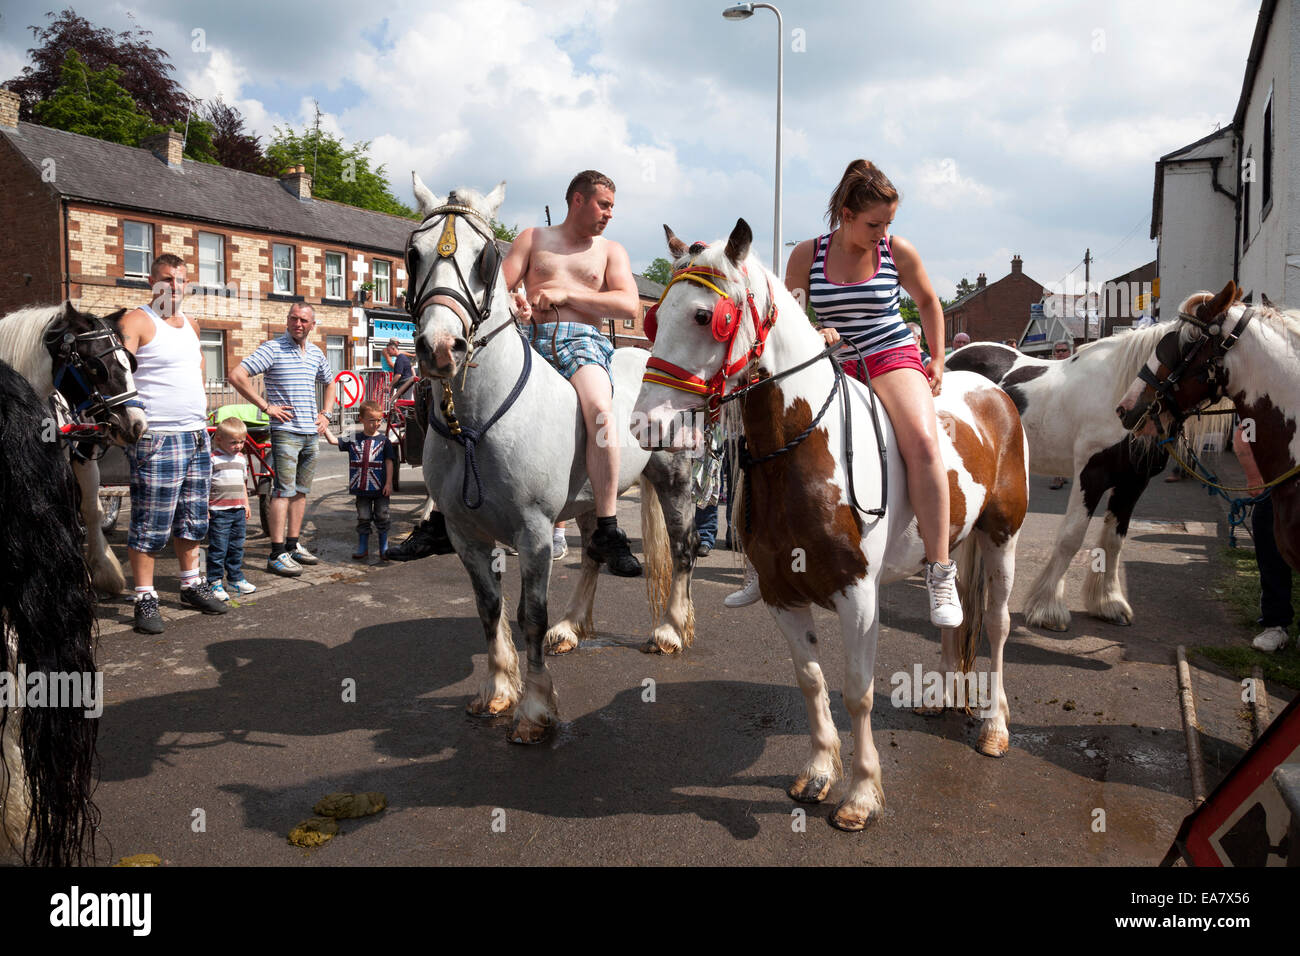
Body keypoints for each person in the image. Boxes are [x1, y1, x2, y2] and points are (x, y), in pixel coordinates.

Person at [780, 158, 962, 627]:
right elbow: (792, 319)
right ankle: (766, 563)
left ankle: (940, 571)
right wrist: (817, 330)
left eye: (889, 223)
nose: (883, 233)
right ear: (844, 215)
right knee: (776, 444)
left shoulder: (897, 252)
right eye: (873, 224)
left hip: (890, 353)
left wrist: (937, 358)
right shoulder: (805, 256)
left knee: (923, 443)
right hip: (833, 364)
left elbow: (927, 303)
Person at [500, 169, 643, 576]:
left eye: (613, 207)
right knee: (469, 393)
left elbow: (629, 304)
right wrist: (517, 304)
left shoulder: (610, 250)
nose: (609, 214)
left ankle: (608, 527)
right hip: (527, 338)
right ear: (578, 200)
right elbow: (500, 289)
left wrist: (569, 294)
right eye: (604, 204)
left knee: (600, 409)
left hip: (582, 341)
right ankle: (442, 516)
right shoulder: (532, 238)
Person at [116, 253, 228, 633]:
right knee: (150, 522)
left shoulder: (192, 325)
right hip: (157, 437)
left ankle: (190, 584)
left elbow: (196, 373)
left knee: (192, 518)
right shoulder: (136, 320)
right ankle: (145, 596)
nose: (174, 287)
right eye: (167, 279)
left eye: (181, 281)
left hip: (196, 434)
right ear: (152, 281)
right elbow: (118, 370)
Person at [228, 304, 336, 576]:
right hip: (286, 431)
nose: (297, 323)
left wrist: (326, 414)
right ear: (287, 321)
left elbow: (330, 382)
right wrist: (266, 407)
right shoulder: (273, 348)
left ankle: (292, 545)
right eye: (293, 318)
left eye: (303, 320)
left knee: (300, 491)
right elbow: (236, 375)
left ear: (313, 325)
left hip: (311, 432)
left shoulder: (315, 353)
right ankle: (276, 554)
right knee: (283, 491)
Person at [1233, 423, 1293, 651]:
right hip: (1276, 486)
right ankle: (1275, 624)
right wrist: (1254, 476)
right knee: (1271, 553)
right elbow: (1245, 430)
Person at [324, 400, 397, 560]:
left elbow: (389, 462)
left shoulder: (385, 441)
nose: (376, 424)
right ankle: (362, 547)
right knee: (363, 518)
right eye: (372, 420)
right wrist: (324, 428)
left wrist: (388, 483)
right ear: (361, 419)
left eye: (379, 420)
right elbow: (334, 441)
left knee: (383, 517)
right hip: (361, 489)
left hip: (380, 490)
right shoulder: (353, 438)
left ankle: (384, 548)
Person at [207, 416, 256, 602]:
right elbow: (205, 485)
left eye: (242, 441)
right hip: (219, 511)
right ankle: (214, 581)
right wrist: (205, 507)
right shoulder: (212, 459)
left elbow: (243, 483)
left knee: (237, 546)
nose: (238, 446)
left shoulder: (241, 458)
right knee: (218, 548)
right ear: (218, 439)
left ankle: (235, 578)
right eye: (234, 442)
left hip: (238, 510)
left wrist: (246, 503)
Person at [1049, 339, 1073, 489]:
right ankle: (1057, 476)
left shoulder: (1075, 366)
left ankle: (1064, 472)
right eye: (1057, 351)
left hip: (1071, 409)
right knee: (1055, 442)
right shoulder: (1050, 368)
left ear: (1069, 352)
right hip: (1054, 409)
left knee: (1069, 444)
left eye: (1063, 350)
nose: (1060, 353)